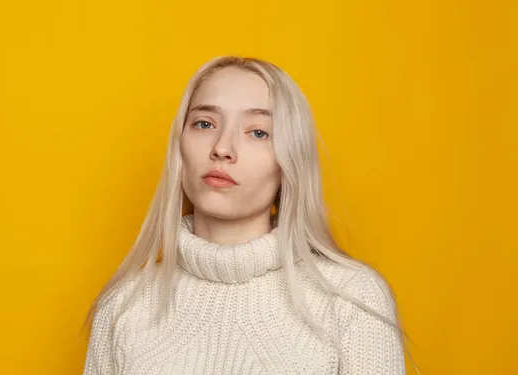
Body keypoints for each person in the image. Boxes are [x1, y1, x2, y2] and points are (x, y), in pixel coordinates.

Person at [81, 56, 418, 374]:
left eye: (258, 132)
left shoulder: (350, 299)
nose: (222, 148)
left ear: (289, 161)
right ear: (179, 146)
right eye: (204, 123)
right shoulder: (123, 307)